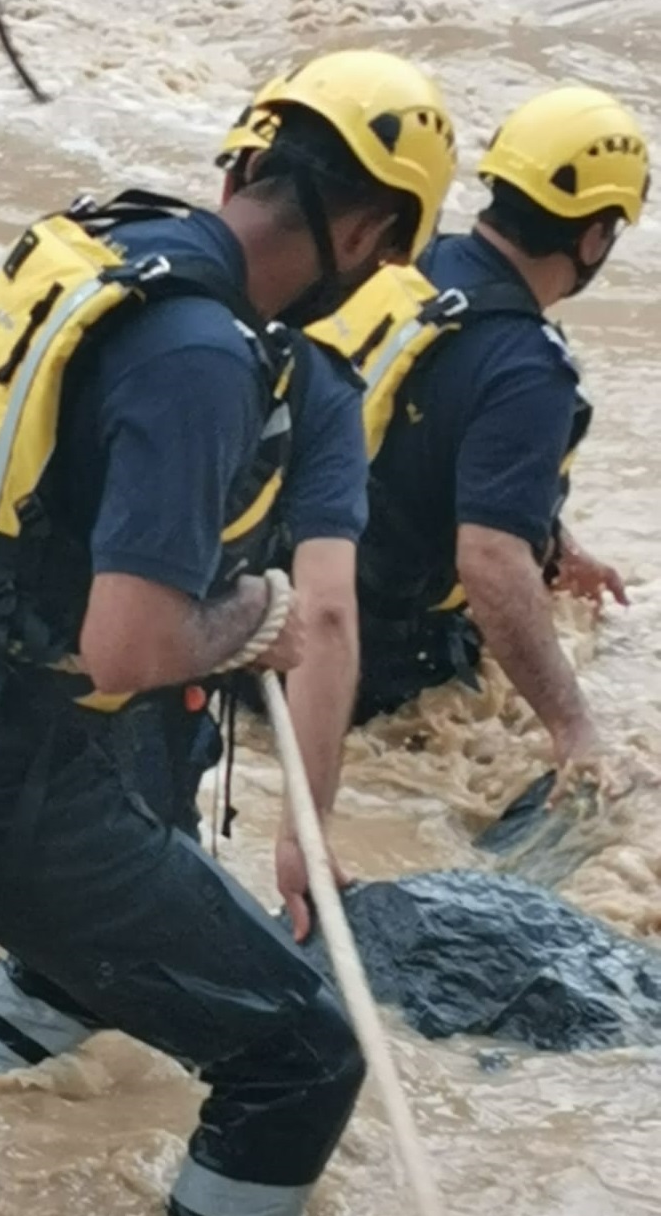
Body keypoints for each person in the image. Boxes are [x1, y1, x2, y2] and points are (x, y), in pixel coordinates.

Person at [0, 48, 457, 1216]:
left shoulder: (99, 263)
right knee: (302, 1056)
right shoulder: (205, 358)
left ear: (248, 159)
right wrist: (250, 619)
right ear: (373, 228)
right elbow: (132, 647)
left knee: (107, 940)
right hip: (2, 763)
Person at [250, 85, 648, 798]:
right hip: (363, 672)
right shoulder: (529, 371)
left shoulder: (411, 261)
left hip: (260, 603)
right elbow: (491, 564)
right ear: (593, 237)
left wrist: (555, 542)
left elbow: (408, 431)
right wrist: (573, 730)